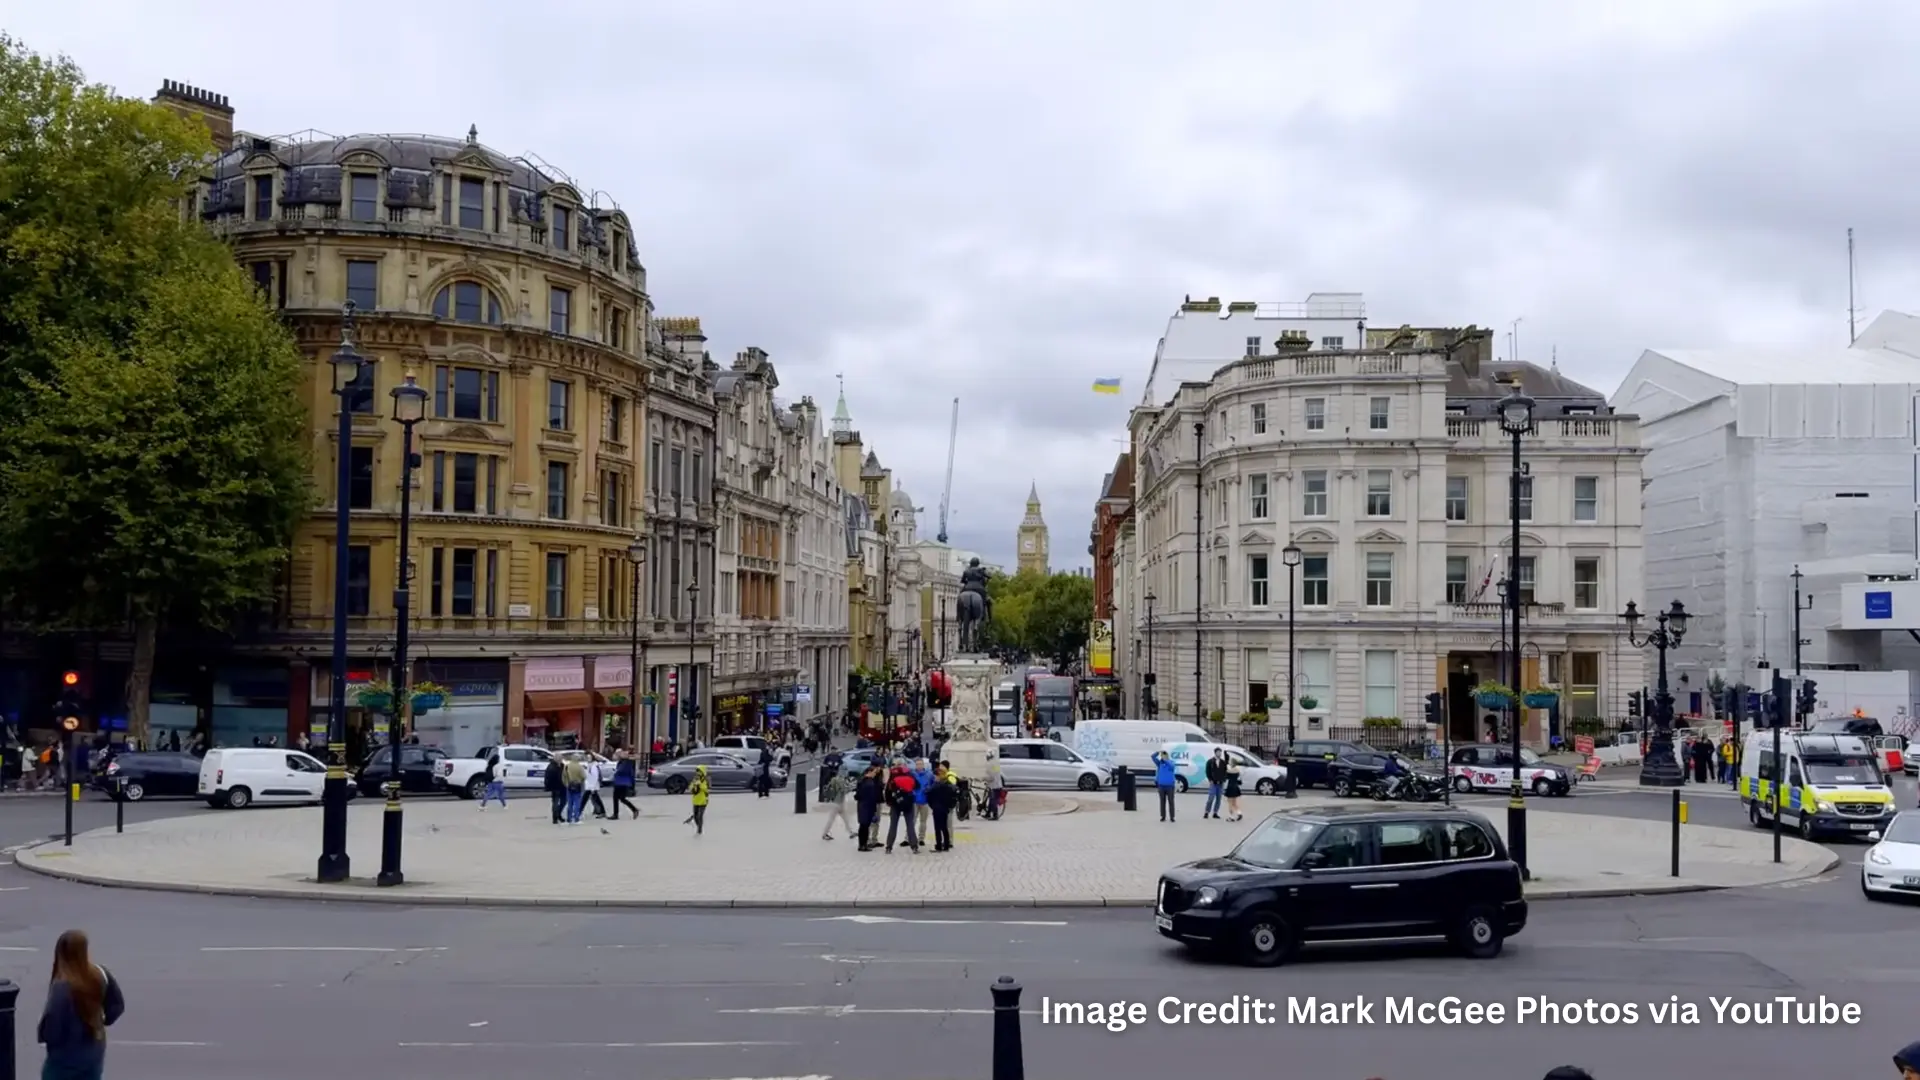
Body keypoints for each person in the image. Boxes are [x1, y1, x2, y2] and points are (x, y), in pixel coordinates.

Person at [37, 928, 124, 1080]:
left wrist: (49, 1039)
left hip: (64, 1059)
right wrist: (103, 1020)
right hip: (94, 1052)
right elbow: (117, 1006)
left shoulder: (61, 986)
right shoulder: (100, 973)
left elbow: (53, 1022)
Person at [884, 763, 921, 854]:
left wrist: (889, 802)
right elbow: (918, 786)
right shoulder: (910, 775)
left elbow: (887, 790)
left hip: (895, 804)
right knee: (910, 825)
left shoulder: (893, 775)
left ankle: (889, 847)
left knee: (893, 825)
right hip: (908, 803)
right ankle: (914, 846)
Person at [928, 763, 957, 851]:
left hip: (937, 808)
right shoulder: (948, 784)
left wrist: (932, 806)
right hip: (945, 809)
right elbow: (952, 797)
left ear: (939, 776)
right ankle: (946, 845)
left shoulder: (936, 785)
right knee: (944, 827)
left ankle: (939, 845)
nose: (935, 778)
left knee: (937, 828)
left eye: (936, 776)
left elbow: (929, 795)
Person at [854, 763, 884, 851]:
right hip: (868, 806)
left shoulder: (861, 781)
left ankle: (861, 844)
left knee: (862, 826)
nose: (875, 774)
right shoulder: (870, 783)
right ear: (869, 772)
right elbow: (872, 797)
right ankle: (863, 845)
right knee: (865, 827)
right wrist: (874, 809)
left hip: (861, 805)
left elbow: (857, 795)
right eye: (874, 772)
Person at [821, 767, 856, 841]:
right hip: (837, 803)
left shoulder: (837, 779)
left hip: (839, 802)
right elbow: (845, 789)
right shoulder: (840, 780)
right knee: (831, 819)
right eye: (845, 771)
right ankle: (825, 834)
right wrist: (853, 787)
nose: (846, 773)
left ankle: (851, 832)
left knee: (846, 819)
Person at [611, 749, 639, 820]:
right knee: (620, 798)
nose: (617, 755)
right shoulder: (623, 761)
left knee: (618, 798)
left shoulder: (626, 761)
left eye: (618, 754)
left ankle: (616, 814)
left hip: (622, 782)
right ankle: (634, 810)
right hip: (620, 782)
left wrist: (616, 772)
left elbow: (622, 771)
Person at [911, 758, 934, 841]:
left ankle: (921, 838)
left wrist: (928, 789)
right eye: (917, 764)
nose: (919, 766)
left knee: (923, 821)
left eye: (920, 764)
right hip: (914, 800)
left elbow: (933, 785)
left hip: (925, 800)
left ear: (923, 765)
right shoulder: (912, 774)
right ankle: (909, 837)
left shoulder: (929, 774)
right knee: (912, 821)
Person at [684, 764, 709, 834]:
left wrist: (700, 784)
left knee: (700, 816)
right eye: (697, 771)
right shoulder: (695, 779)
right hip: (695, 800)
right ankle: (698, 826)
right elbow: (690, 788)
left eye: (699, 771)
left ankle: (699, 830)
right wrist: (694, 784)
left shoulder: (706, 780)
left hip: (703, 801)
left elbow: (706, 789)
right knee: (695, 816)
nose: (698, 773)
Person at [1153, 750, 1177, 822]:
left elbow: (1172, 767)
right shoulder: (1159, 764)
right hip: (1161, 785)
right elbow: (1152, 757)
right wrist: (1157, 752)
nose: (1163, 757)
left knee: (1171, 801)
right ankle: (1163, 816)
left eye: (1164, 755)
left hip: (1170, 786)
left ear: (1167, 756)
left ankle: (1172, 817)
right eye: (1162, 755)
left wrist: (1166, 760)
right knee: (1162, 802)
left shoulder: (1171, 762)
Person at [562, 755, 587, 824]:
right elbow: (584, 776)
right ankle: (576, 818)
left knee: (570, 803)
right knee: (577, 803)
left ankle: (569, 818)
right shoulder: (579, 767)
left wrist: (566, 783)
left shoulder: (567, 766)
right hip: (577, 786)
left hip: (569, 786)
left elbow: (563, 776)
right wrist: (580, 780)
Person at [1203, 749, 1226, 819]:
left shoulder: (1223, 762)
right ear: (1215, 753)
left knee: (1219, 798)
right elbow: (1207, 771)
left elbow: (1225, 771)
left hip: (1220, 783)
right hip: (1213, 782)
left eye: (1220, 753)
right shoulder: (1210, 761)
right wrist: (1210, 779)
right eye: (1218, 752)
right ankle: (1207, 812)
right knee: (1211, 798)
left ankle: (1215, 812)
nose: (1219, 754)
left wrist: (1224, 779)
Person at [544, 754, 566, 825]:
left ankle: (558, 814)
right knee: (555, 802)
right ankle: (555, 817)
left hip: (562, 786)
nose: (561, 760)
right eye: (560, 759)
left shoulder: (562, 766)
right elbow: (548, 778)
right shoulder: (551, 767)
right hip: (555, 787)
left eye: (561, 759)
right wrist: (548, 787)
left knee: (563, 801)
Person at [1222, 755, 1244, 821]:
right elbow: (1240, 781)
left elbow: (1225, 779)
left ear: (1231, 763)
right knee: (1234, 802)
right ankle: (1239, 813)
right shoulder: (1238, 771)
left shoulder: (1229, 771)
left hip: (1230, 787)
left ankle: (1231, 817)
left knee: (1230, 803)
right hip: (1236, 787)